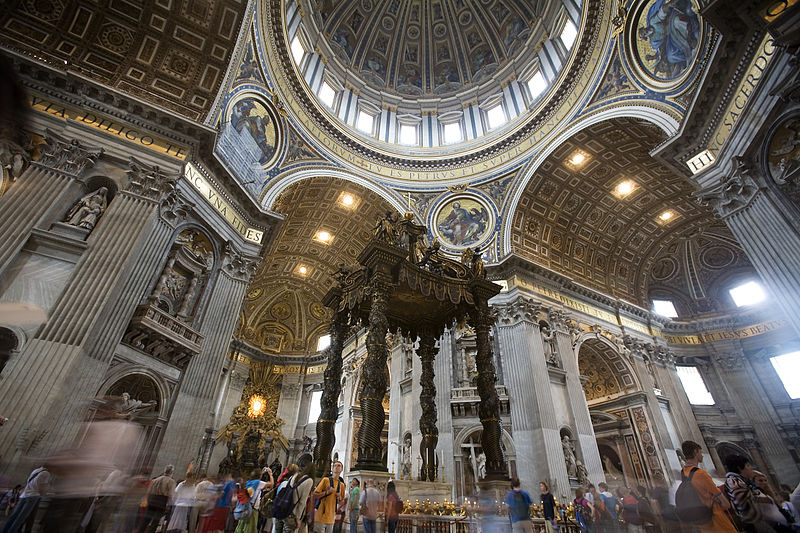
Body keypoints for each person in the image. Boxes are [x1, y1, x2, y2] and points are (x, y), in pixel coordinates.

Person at [724, 454, 789, 532]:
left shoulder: (744, 481)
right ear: (739, 468)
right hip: (759, 526)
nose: (751, 468)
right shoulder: (734, 481)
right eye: (748, 466)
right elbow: (746, 506)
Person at [0, 465, 50, 533]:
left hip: (24, 495)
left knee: (14, 516)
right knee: (20, 518)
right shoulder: (46, 473)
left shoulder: (36, 470)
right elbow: (42, 487)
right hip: (33, 496)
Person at [137, 465, 177, 533]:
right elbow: (170, 495)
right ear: (171, 472)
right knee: (155, 521)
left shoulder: (156, 480)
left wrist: (148, 500)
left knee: (146, 519)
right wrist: (169, 504)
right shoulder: (171, 481)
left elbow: (149, 491)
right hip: (162, 500)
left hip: (152, 499)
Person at [313, 461, 345, 533]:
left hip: (331, 517)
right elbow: (315, 495)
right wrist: (327, 492)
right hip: (321, 515)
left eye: (339, 466)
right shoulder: (325, 480)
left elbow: (342, 502)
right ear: (332, 468)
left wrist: (339, 497)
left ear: (341, 469)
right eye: (335, 466)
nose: (336, 467)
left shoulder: (342, 485)